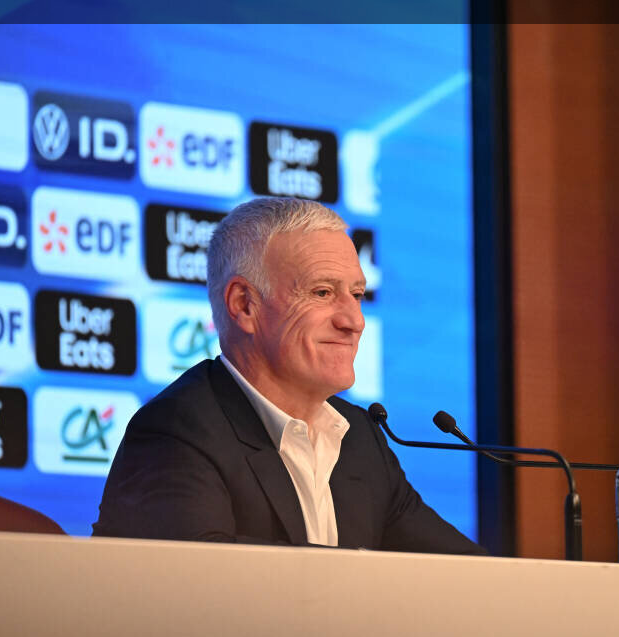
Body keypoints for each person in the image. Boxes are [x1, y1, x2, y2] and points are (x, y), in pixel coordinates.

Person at [93, 197, 484, 555]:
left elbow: (464, 572)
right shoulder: (175, 432)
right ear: (244, 305)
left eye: (357, 295)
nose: (354, 321)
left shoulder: (359, 437)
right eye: (322, 293)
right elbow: (201, 587)